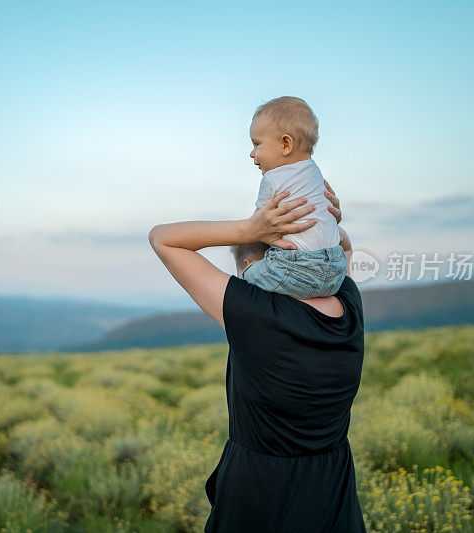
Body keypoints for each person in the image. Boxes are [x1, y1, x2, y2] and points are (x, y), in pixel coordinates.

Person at [148, 182, 366, 532]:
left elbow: (162, 238)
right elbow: (344, 253)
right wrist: (323, 223)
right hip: (333, 492)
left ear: (248, 265)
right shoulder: (349, 305)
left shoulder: (254, 313)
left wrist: (250, 228)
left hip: (259, 495)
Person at [244, 96, 346, 299]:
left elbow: (256, 225)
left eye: (257, 144)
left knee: (247, 276)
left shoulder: (273, 178)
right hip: (336, 269)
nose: (252, 153)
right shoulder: (315, 172)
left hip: (296, 267)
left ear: (285, 144)